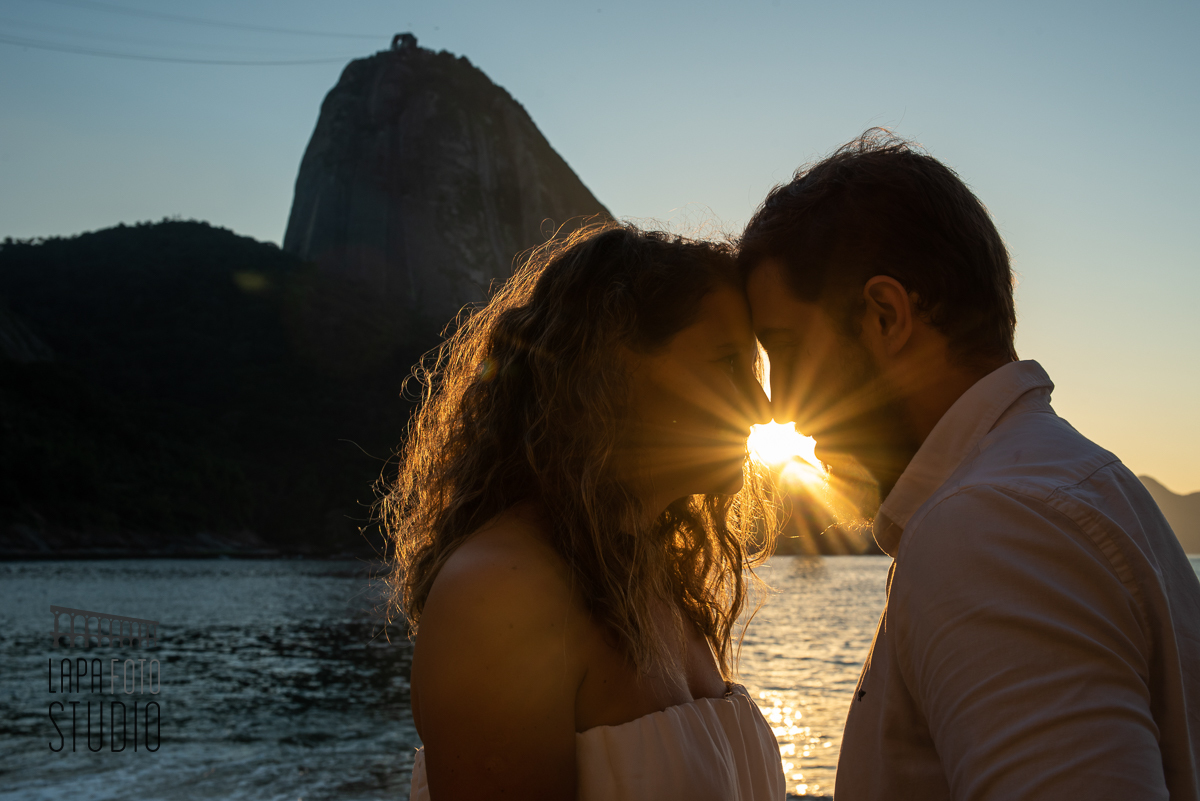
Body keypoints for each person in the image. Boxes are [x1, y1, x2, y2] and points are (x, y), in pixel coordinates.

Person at [739, 129, 1200, 800]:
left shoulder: (989, 529)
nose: (778, 407)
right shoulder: (1079, 484)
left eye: (784, 349)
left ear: (885, 316)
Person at [381, 222, 787, 801]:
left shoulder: (654, 581)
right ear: (608, 373)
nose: (763, 407)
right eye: (727, 365)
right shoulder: (501, 594)